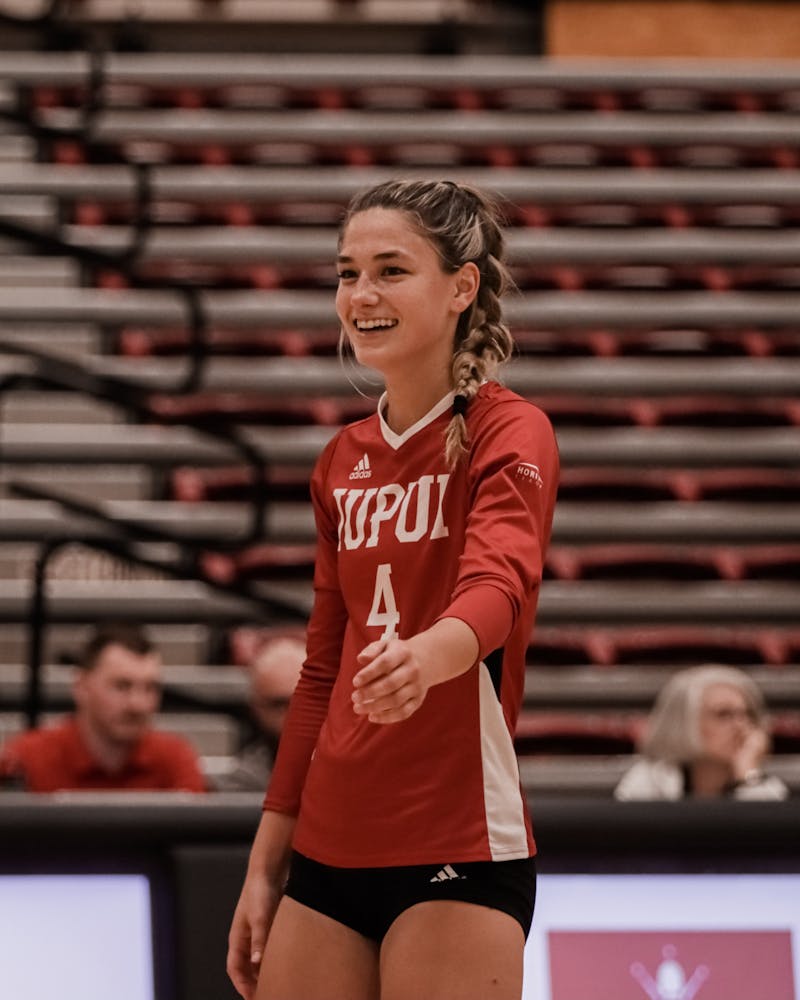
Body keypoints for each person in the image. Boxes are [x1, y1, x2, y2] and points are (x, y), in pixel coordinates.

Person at [227, 179, 560, 1000]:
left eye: (390, 270)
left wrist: (426, 656)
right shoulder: (339, 460)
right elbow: (319, 674)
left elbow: (499, 588)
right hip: (328, 846)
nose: (361, 295)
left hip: (457, 840)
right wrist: (265, 865)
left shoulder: (509, 429)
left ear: (461, 287)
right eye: (348, 273)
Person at [0, 624, 207, 793]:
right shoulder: (28, 759)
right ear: (81, 686)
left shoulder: (175, 759)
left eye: (150, 688)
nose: (138, 704)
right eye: (122, 686)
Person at [614, 664, 789, 801]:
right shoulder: (649, 780)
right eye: (723, 714)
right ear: (684, 722)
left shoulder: (765, 788)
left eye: (747, 714)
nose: (741, 725)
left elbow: (767, 834)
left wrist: (747, 776)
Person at [216, 636, 306, 792]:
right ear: (255, 707)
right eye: (278, 705)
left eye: (302, 703)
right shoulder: (242, 785)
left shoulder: (348, 768)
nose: (292, 716)